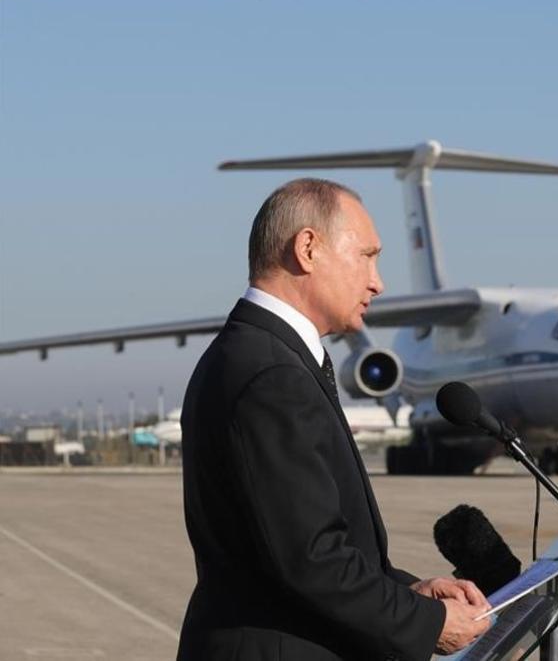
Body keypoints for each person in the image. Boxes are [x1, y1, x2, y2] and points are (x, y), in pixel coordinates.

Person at [178, 179, 489, 660]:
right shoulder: (271, 373)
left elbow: (307, 548)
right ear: (307, 248)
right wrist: (427, 625)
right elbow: (311, 560)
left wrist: (408, 594)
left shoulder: (258, 354)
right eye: (366, 255)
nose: (377, 281)